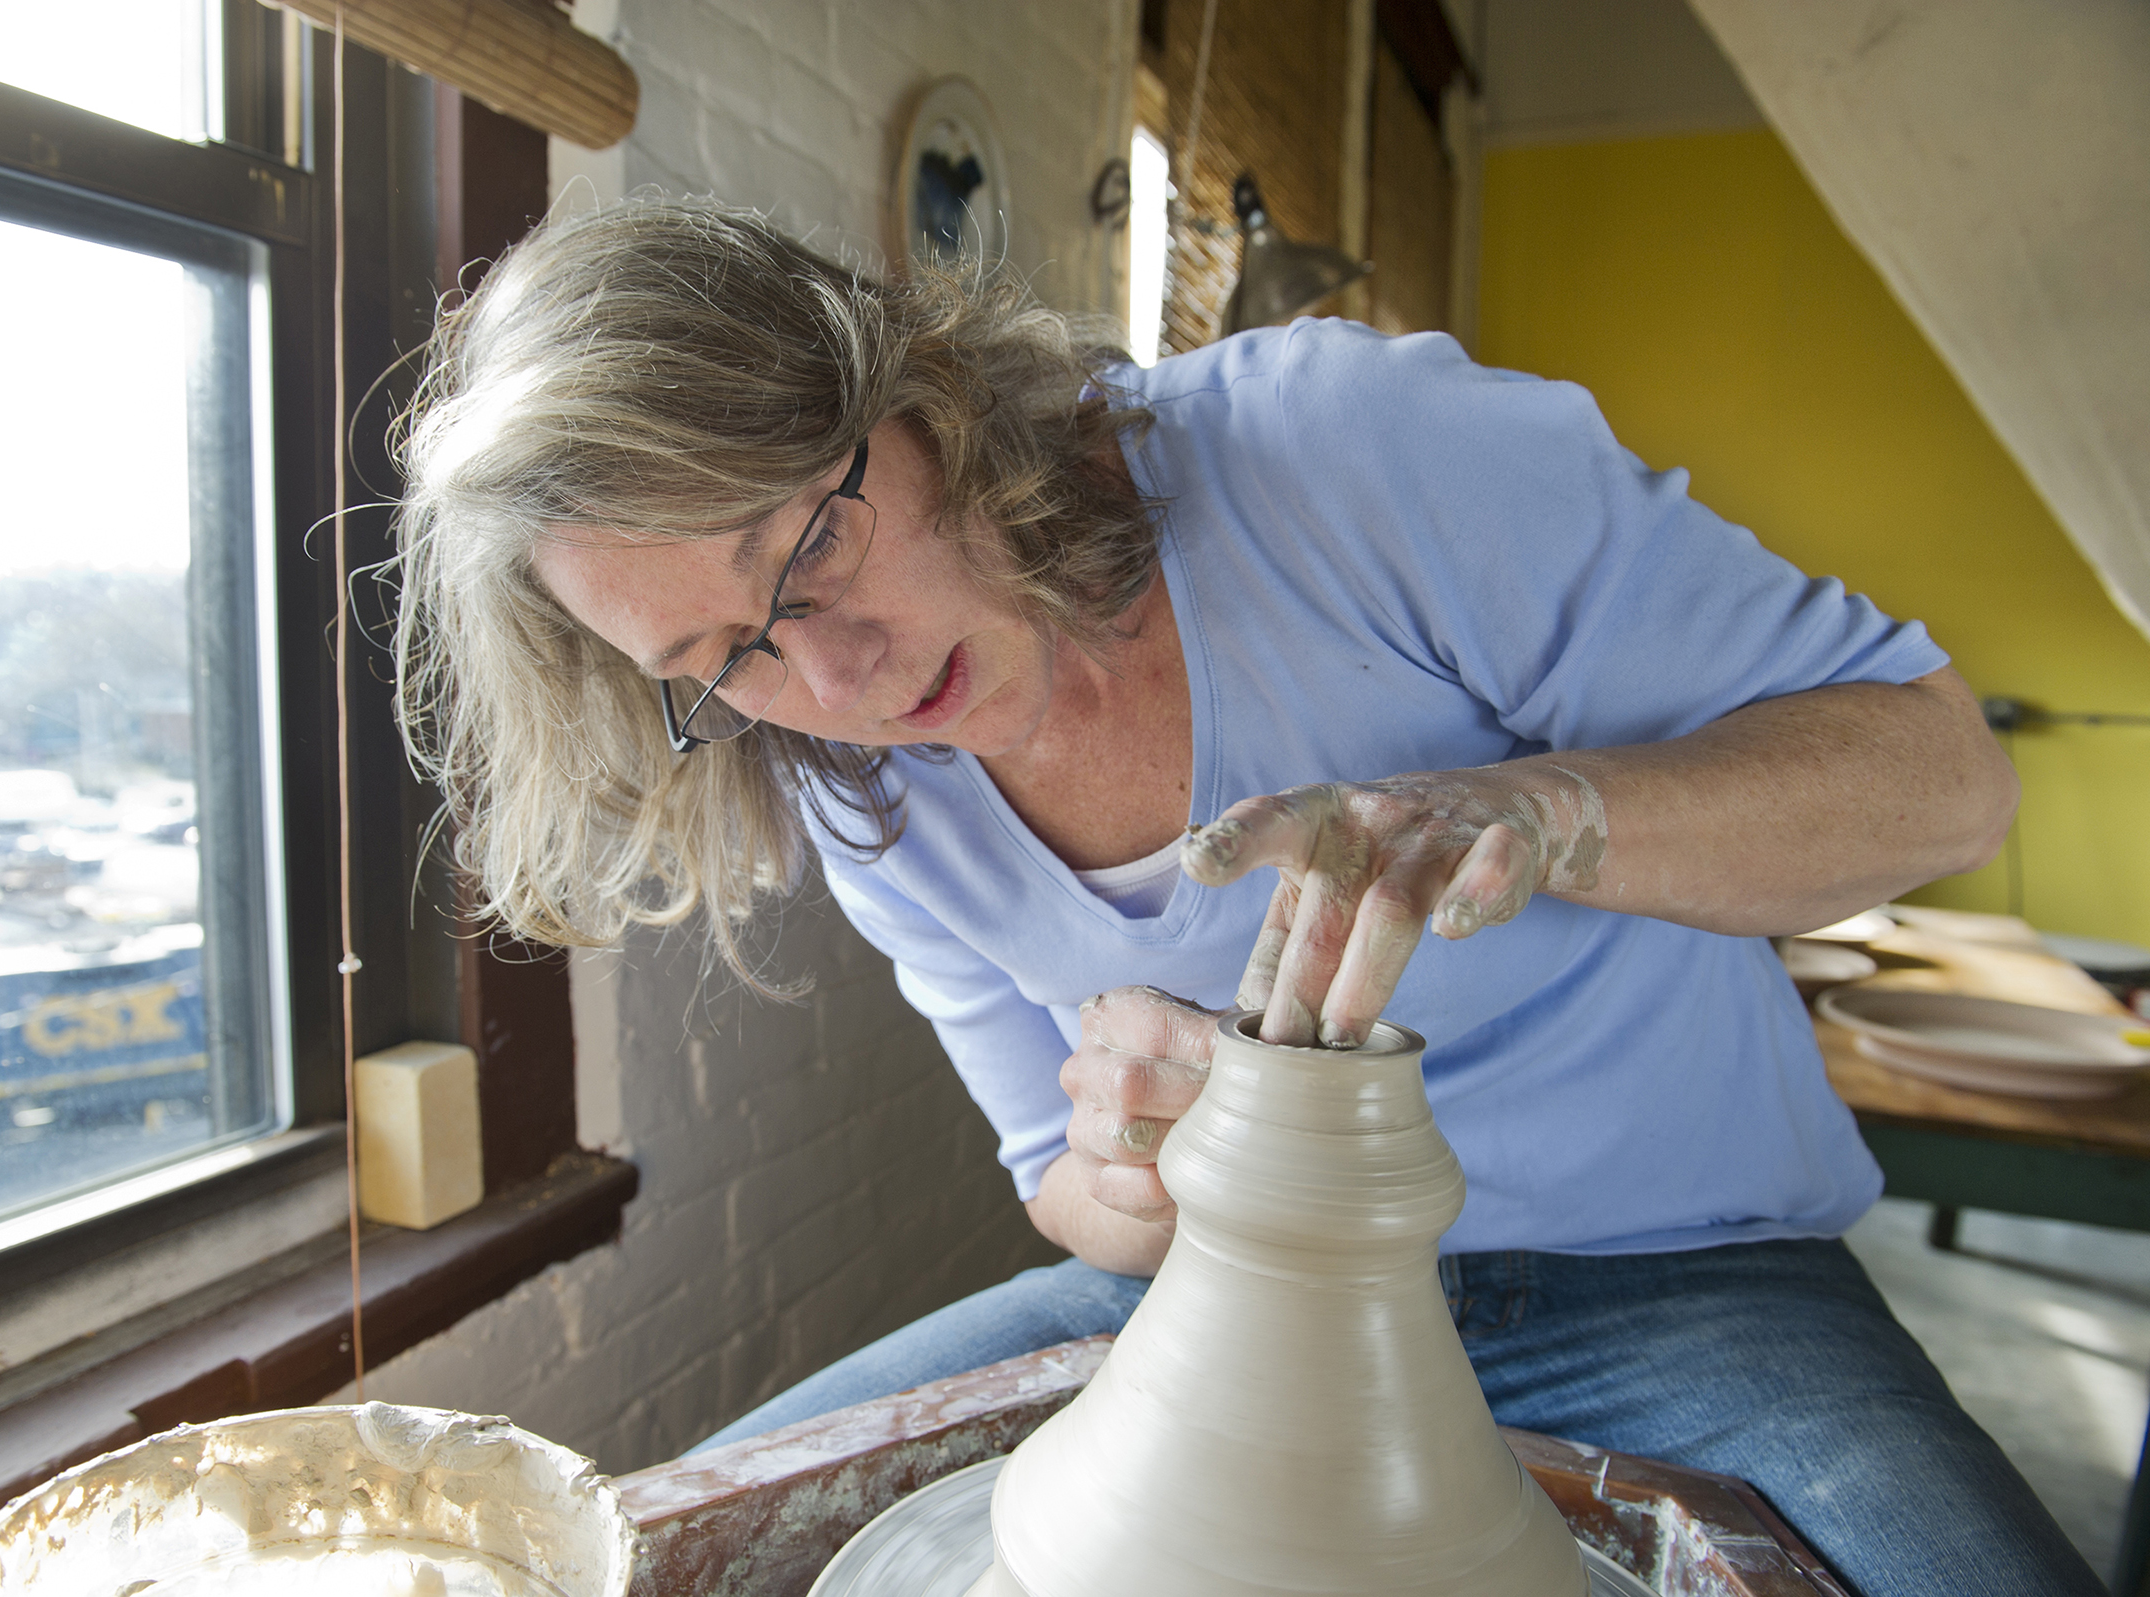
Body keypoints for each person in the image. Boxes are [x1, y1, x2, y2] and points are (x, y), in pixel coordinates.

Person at [392, 198, 2098, 1596]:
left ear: (905, 392)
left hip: (1676, 1276)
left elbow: (1945, 775)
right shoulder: (854, 789)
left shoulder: (1337, 454)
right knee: (627, 1563)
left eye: (809, 545)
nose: (838, 675)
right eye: (723, 655)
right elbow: (1067, 1192)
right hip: (1220, 1306)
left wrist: (1548, 809)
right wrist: (1136, 1155)